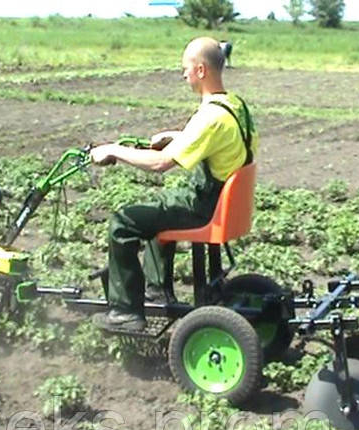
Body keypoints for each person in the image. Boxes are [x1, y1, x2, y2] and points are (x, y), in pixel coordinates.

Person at [90, 36, 258, 331]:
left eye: (186, 68)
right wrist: (176, 137)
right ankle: (157, 290)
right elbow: (217, 141)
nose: (184, 74)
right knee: (158, 212)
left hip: (205, 206)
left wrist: (113, 149)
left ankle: (126, 312)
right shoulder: (234, 105)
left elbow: (160, 164)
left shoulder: (209, 117)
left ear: (202, 70)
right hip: (223, 201)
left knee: (122, 222)